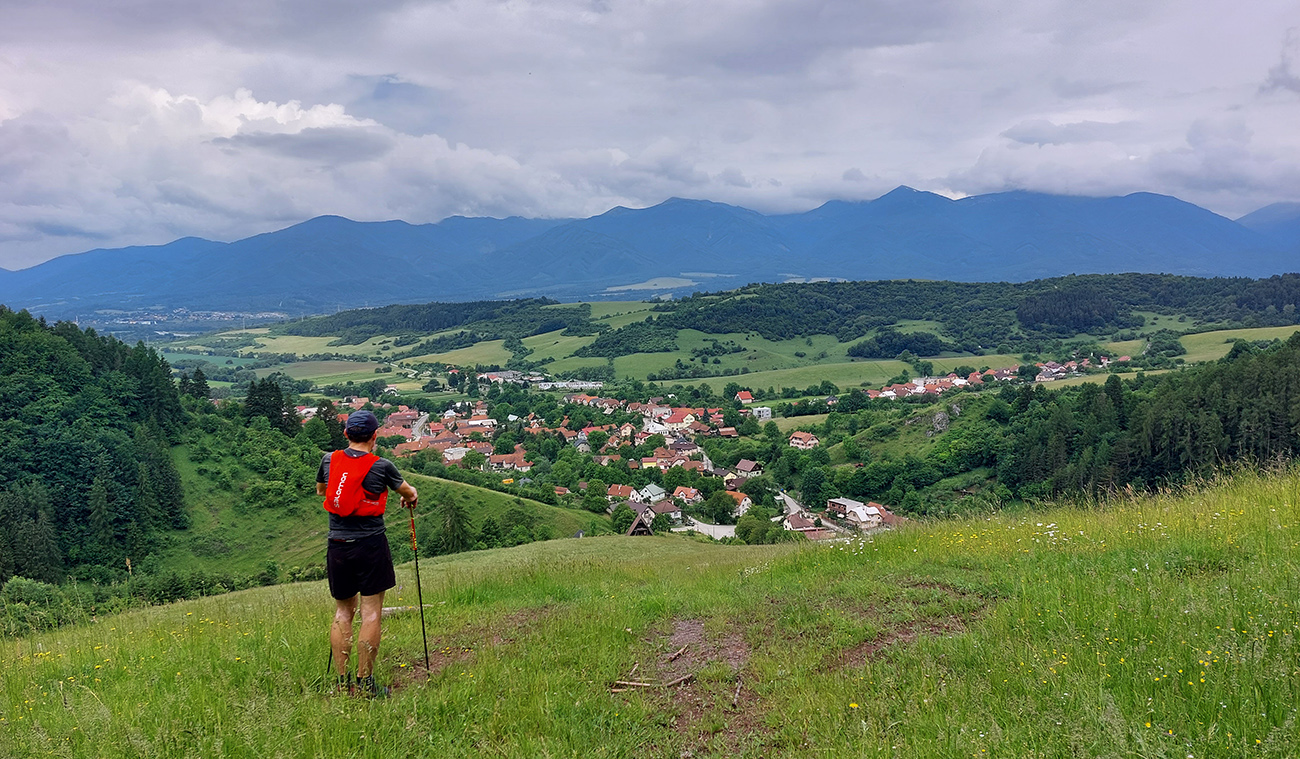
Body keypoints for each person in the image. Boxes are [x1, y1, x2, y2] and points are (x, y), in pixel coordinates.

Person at [316, 409, 418, 697]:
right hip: (370, 544)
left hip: (337, 545)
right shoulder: (382, 466)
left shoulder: (328, 460)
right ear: (375, 436)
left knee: (342, 612)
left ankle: (341, 681)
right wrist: (409, 496)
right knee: (371, 613)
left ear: (347, 434)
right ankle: (365, 683)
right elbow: (408, 493)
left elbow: (322, 490)